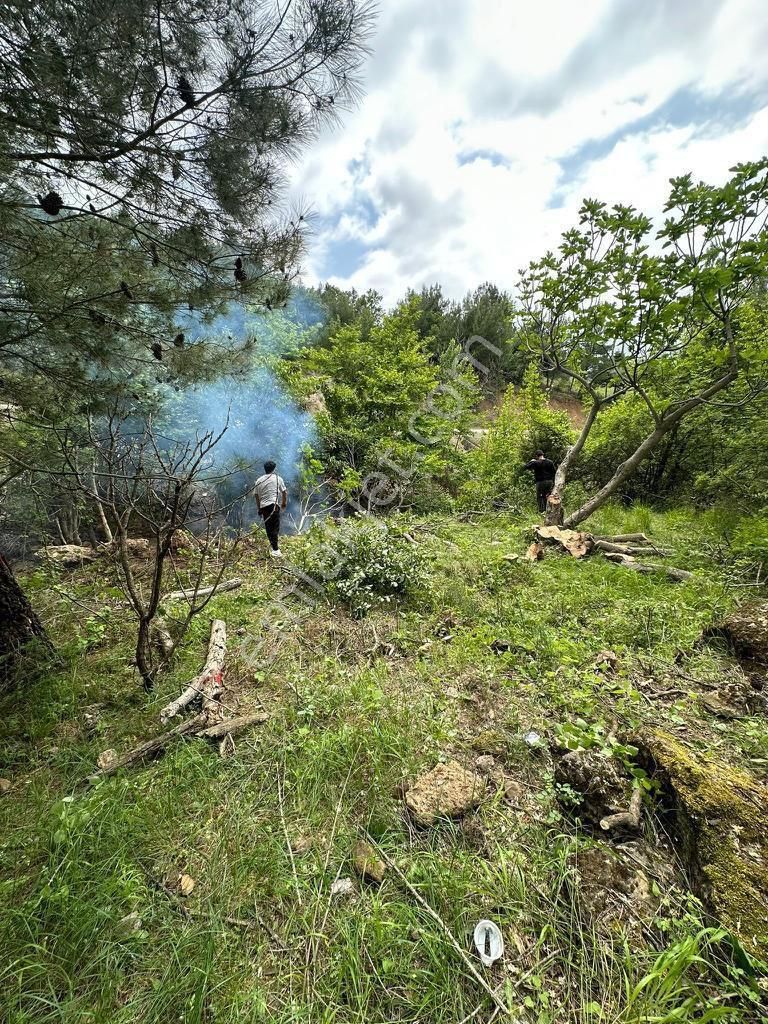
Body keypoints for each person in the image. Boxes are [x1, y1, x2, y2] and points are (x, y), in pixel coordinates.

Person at [254, 460, 288, 557]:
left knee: (268, 527)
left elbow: (256, 496)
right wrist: (284, 503)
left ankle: (274, 548)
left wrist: (259, 508)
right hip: (273, 505)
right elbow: (284, 492)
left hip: (264, 506)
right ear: (274, 469)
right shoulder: (278, 478)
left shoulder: (259, 480)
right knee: (275, 526)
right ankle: (276, 550)